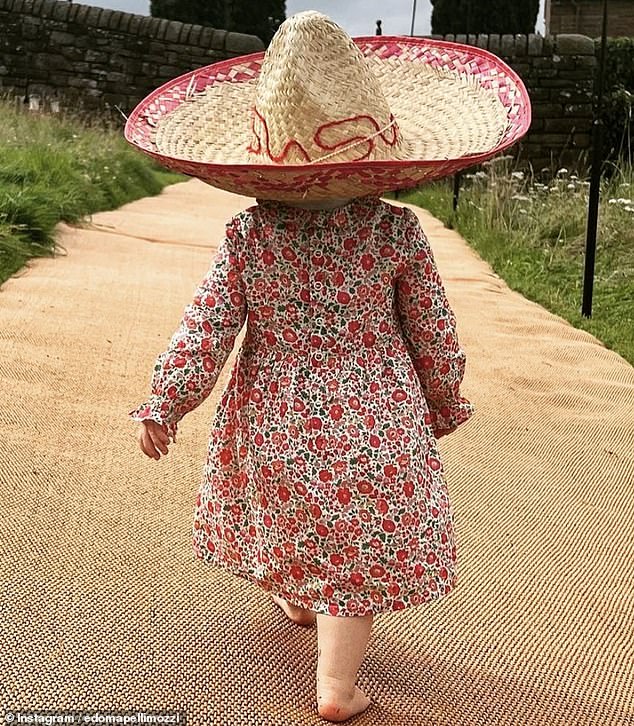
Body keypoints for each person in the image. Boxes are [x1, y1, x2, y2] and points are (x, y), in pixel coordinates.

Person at [125, 10, 531, 723]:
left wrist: (167, 402)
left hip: (274, 416)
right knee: (358, 555)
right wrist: (443, 399)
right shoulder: (396, 231)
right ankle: (337, 686)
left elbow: (207, 329)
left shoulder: (248, 235)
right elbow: (434, 330)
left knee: (289, 512)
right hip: (376, 417)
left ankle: (295, 590)